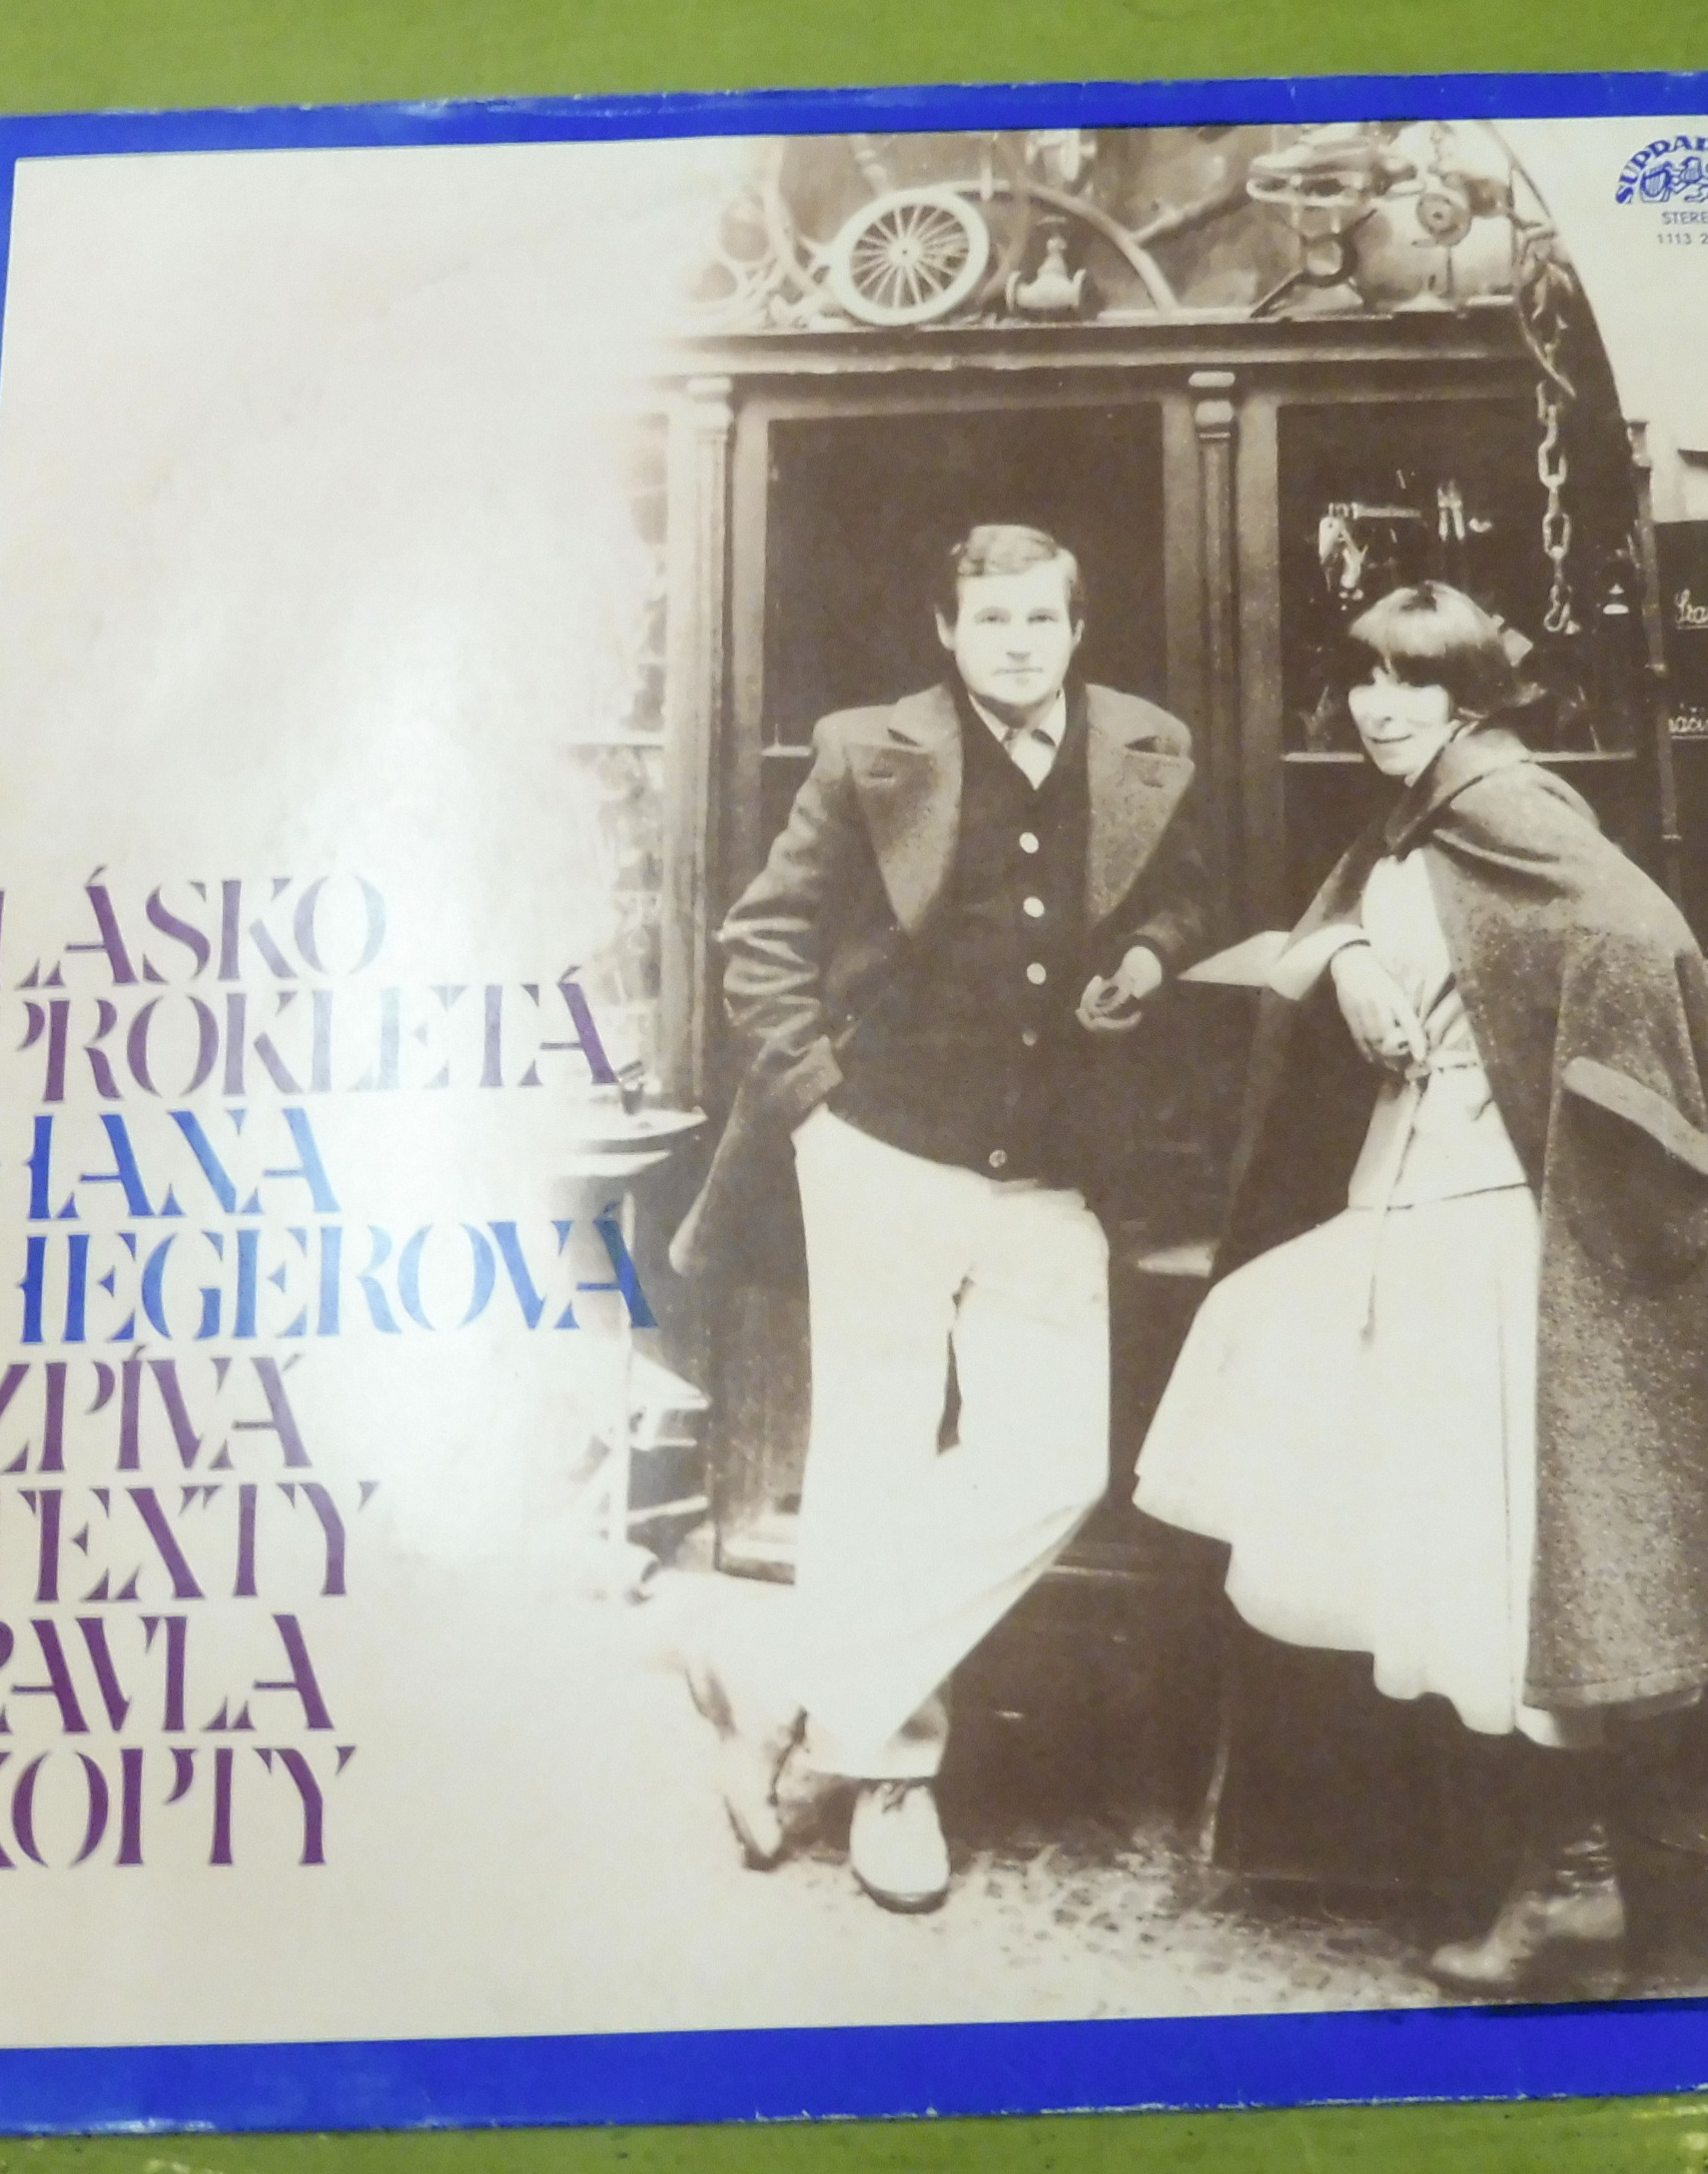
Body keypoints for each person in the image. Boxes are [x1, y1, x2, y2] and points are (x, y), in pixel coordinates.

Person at [1133, 581, 1708, 1995]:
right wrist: (1346, 958)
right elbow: (1335, 921)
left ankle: (1577, 1883)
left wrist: (1599, 1115)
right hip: (1407, 1205)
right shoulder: (1421, 816)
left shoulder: (1513, 808)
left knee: (1505, 1562)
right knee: (1392, 1485)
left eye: (1417, 682)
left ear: (1473, 698)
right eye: (1365, 679)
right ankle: (1549, 1872)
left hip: (1490, 1221)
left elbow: (1649, 943)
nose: (1379, 707)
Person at [669, 523, 1215, 1912]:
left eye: (1040, 618)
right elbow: (762, 942)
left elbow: (1184, 894)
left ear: (1077, 629)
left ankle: (779, 1685)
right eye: (990, 620)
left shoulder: (1145, 745)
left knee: (1052, 1466)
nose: (1017, 643)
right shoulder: (871, 750)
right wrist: (812, 1106)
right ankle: (892, 1775)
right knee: (876, 1455)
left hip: (1052, 1170)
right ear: (947, 631)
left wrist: (1152, 958)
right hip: (882, 1156)